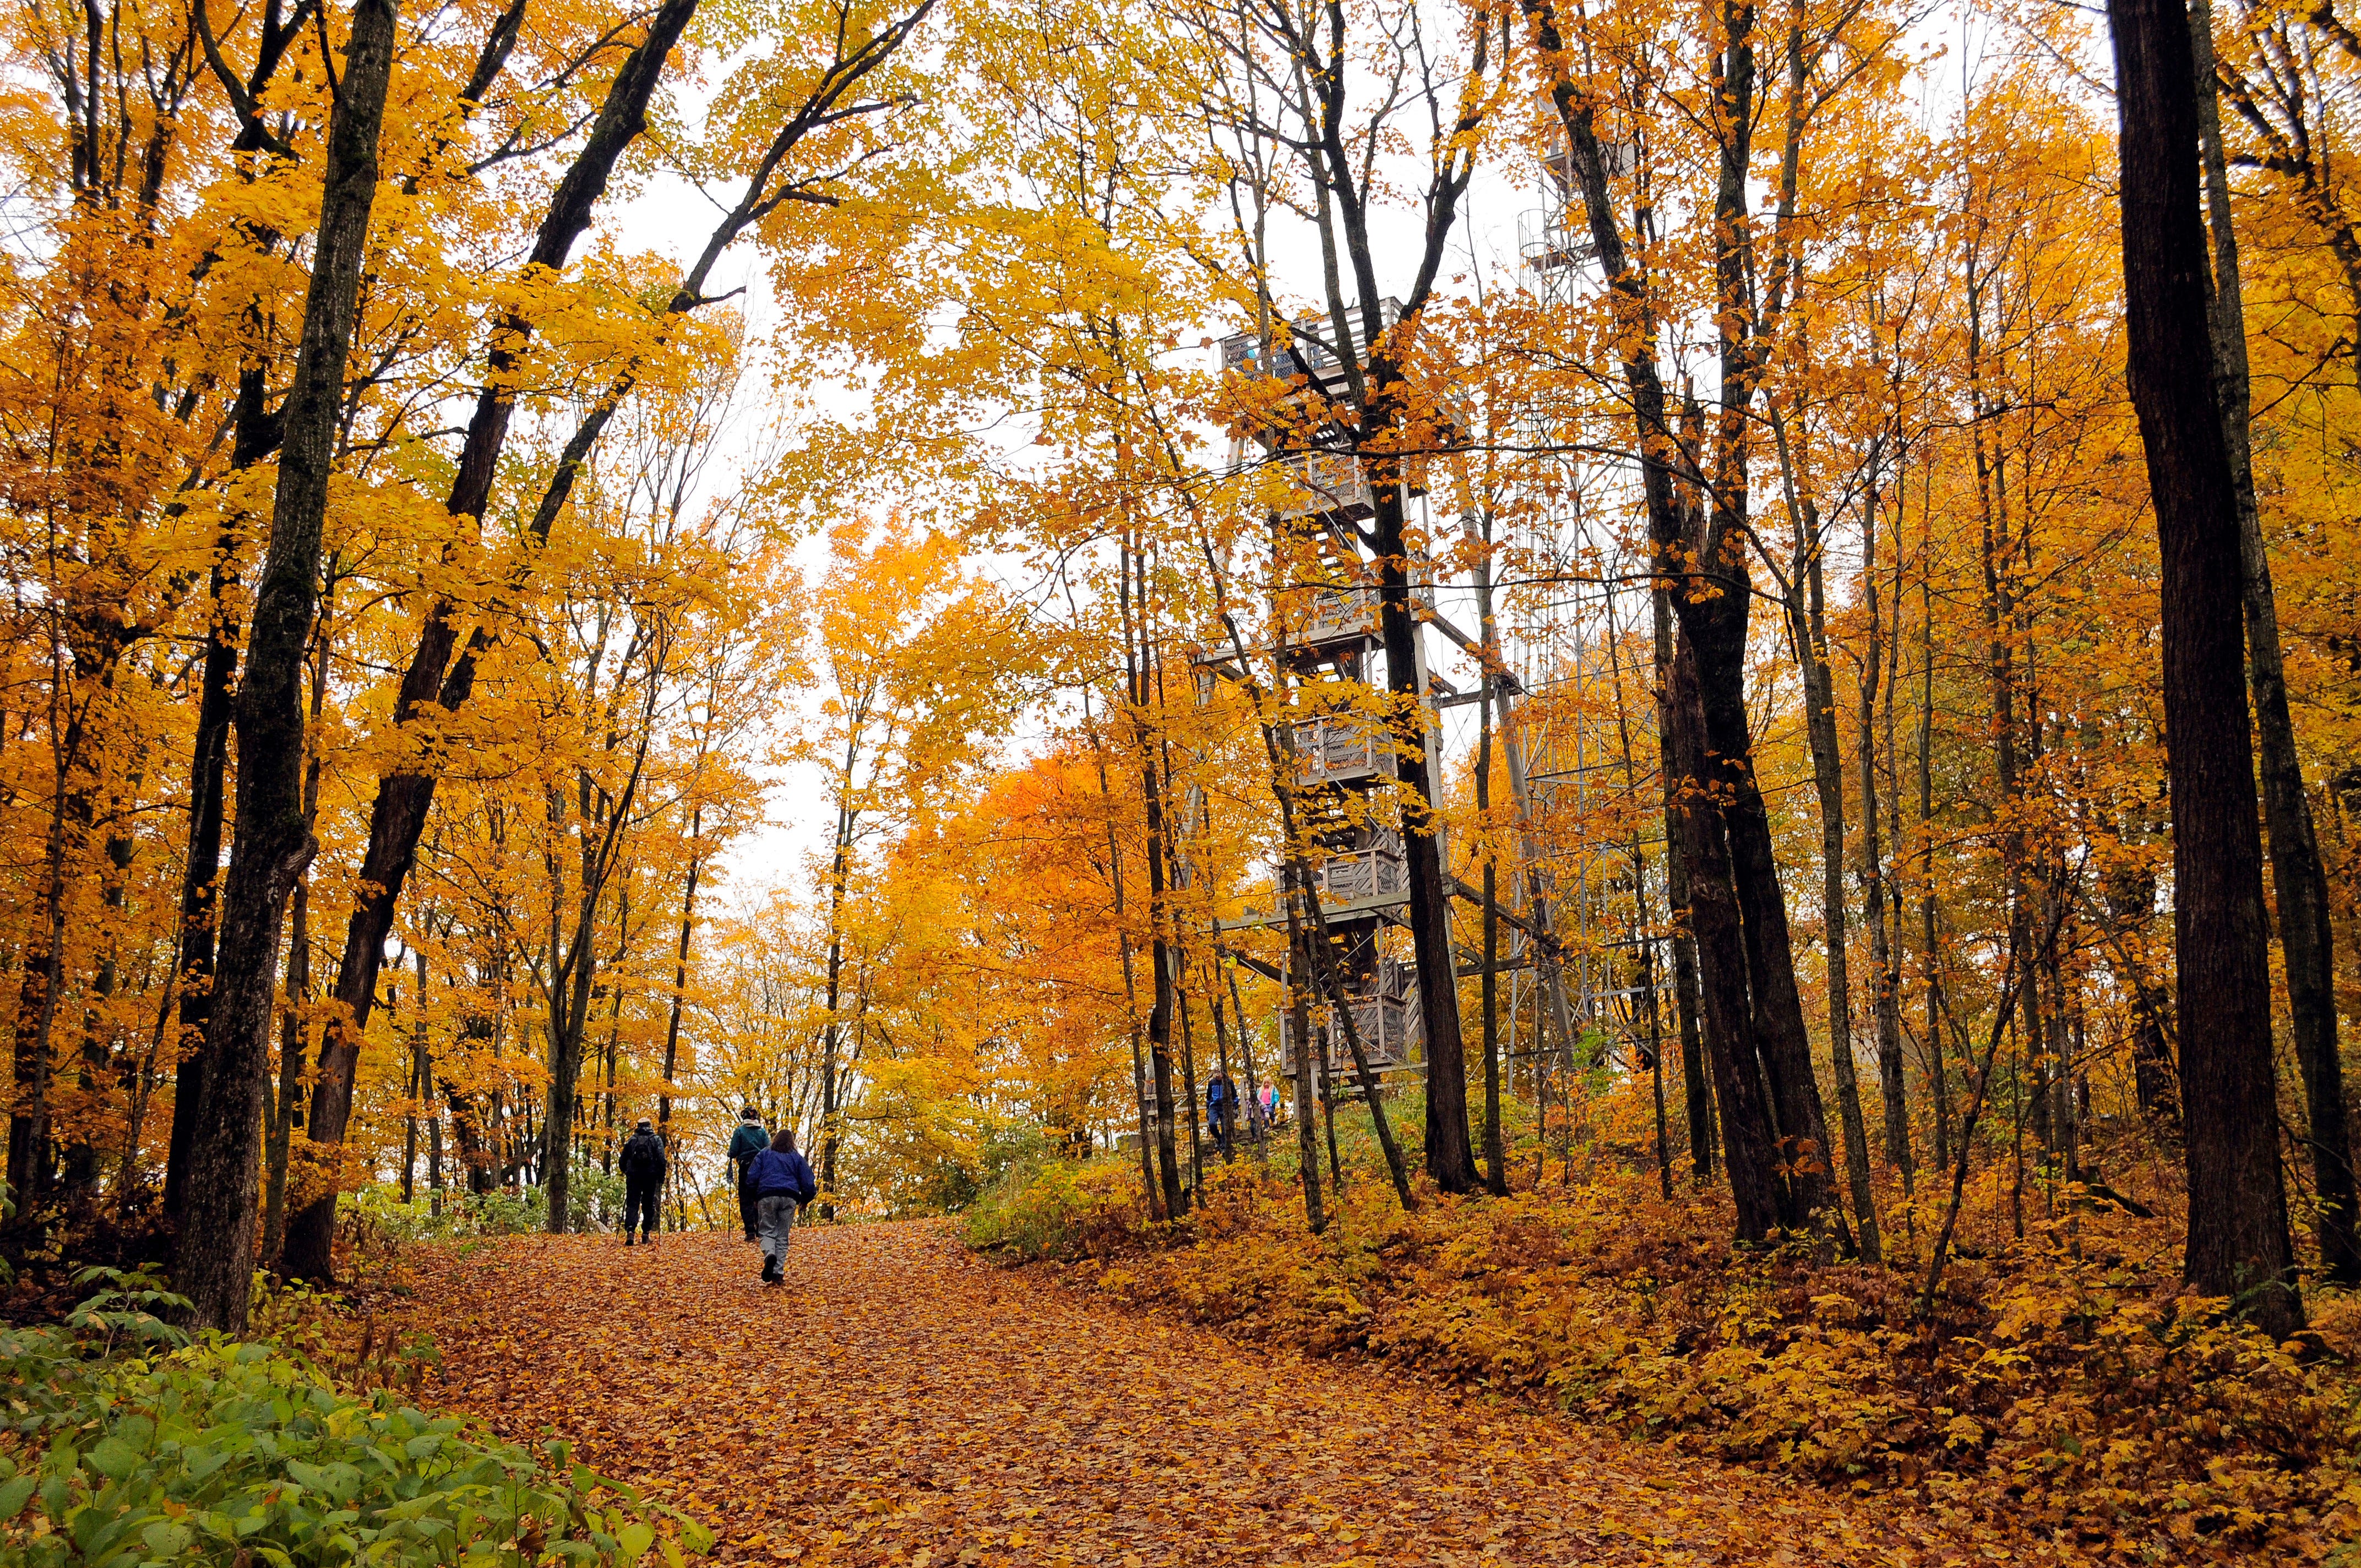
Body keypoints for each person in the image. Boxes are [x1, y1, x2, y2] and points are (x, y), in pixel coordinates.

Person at [747, 1125, 817, 1285]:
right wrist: (805, 1199)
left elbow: (752, 1177)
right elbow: (808, 1181)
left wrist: (754, 1197)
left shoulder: (764, 1154)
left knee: (766, 1231)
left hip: (767, 1196)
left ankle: (769, 1255)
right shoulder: (796, 1158)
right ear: (791, 1142)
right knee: (782, 1236)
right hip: (790, 1198)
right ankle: (778, 1273)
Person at [618, 1118, 667, 1246]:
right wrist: (661, 1176)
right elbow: (662, 1159)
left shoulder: (632, 1140)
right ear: (650, 1126)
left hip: (633, 1176)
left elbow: (622, 1159)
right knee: (648, 1203)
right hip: (650, 1176)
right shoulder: (656, 1140)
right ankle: (646, 1234)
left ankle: (630, 1231)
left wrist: (626, 1171)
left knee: (632, 1203)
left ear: (638, 1126)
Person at [727, 1106, 769, 1243]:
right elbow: (768, 1149)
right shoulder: (762, 1132)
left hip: (745, 1167)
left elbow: (733, 1152)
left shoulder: (739, 1132)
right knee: (760, 1198)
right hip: (761, 1168)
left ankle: (750, 1231)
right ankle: (761, 1229)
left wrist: (732, 1154)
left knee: (746, 1198)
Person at [1205, 1070, 1237, 1159]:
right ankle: (1219, 1139)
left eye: (1219, 1073)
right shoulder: (1211, 1083)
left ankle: (1223, 1145)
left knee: (1224, 1127)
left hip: (1225, 1106)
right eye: (1215, 1073)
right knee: (1212, 1124)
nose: (1217, 1075)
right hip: (1214, 1106)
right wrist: (1207, 1109)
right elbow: (1208, 1096)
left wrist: (1236, 1108)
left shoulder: (1229, 1082)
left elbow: (1234, 1095)